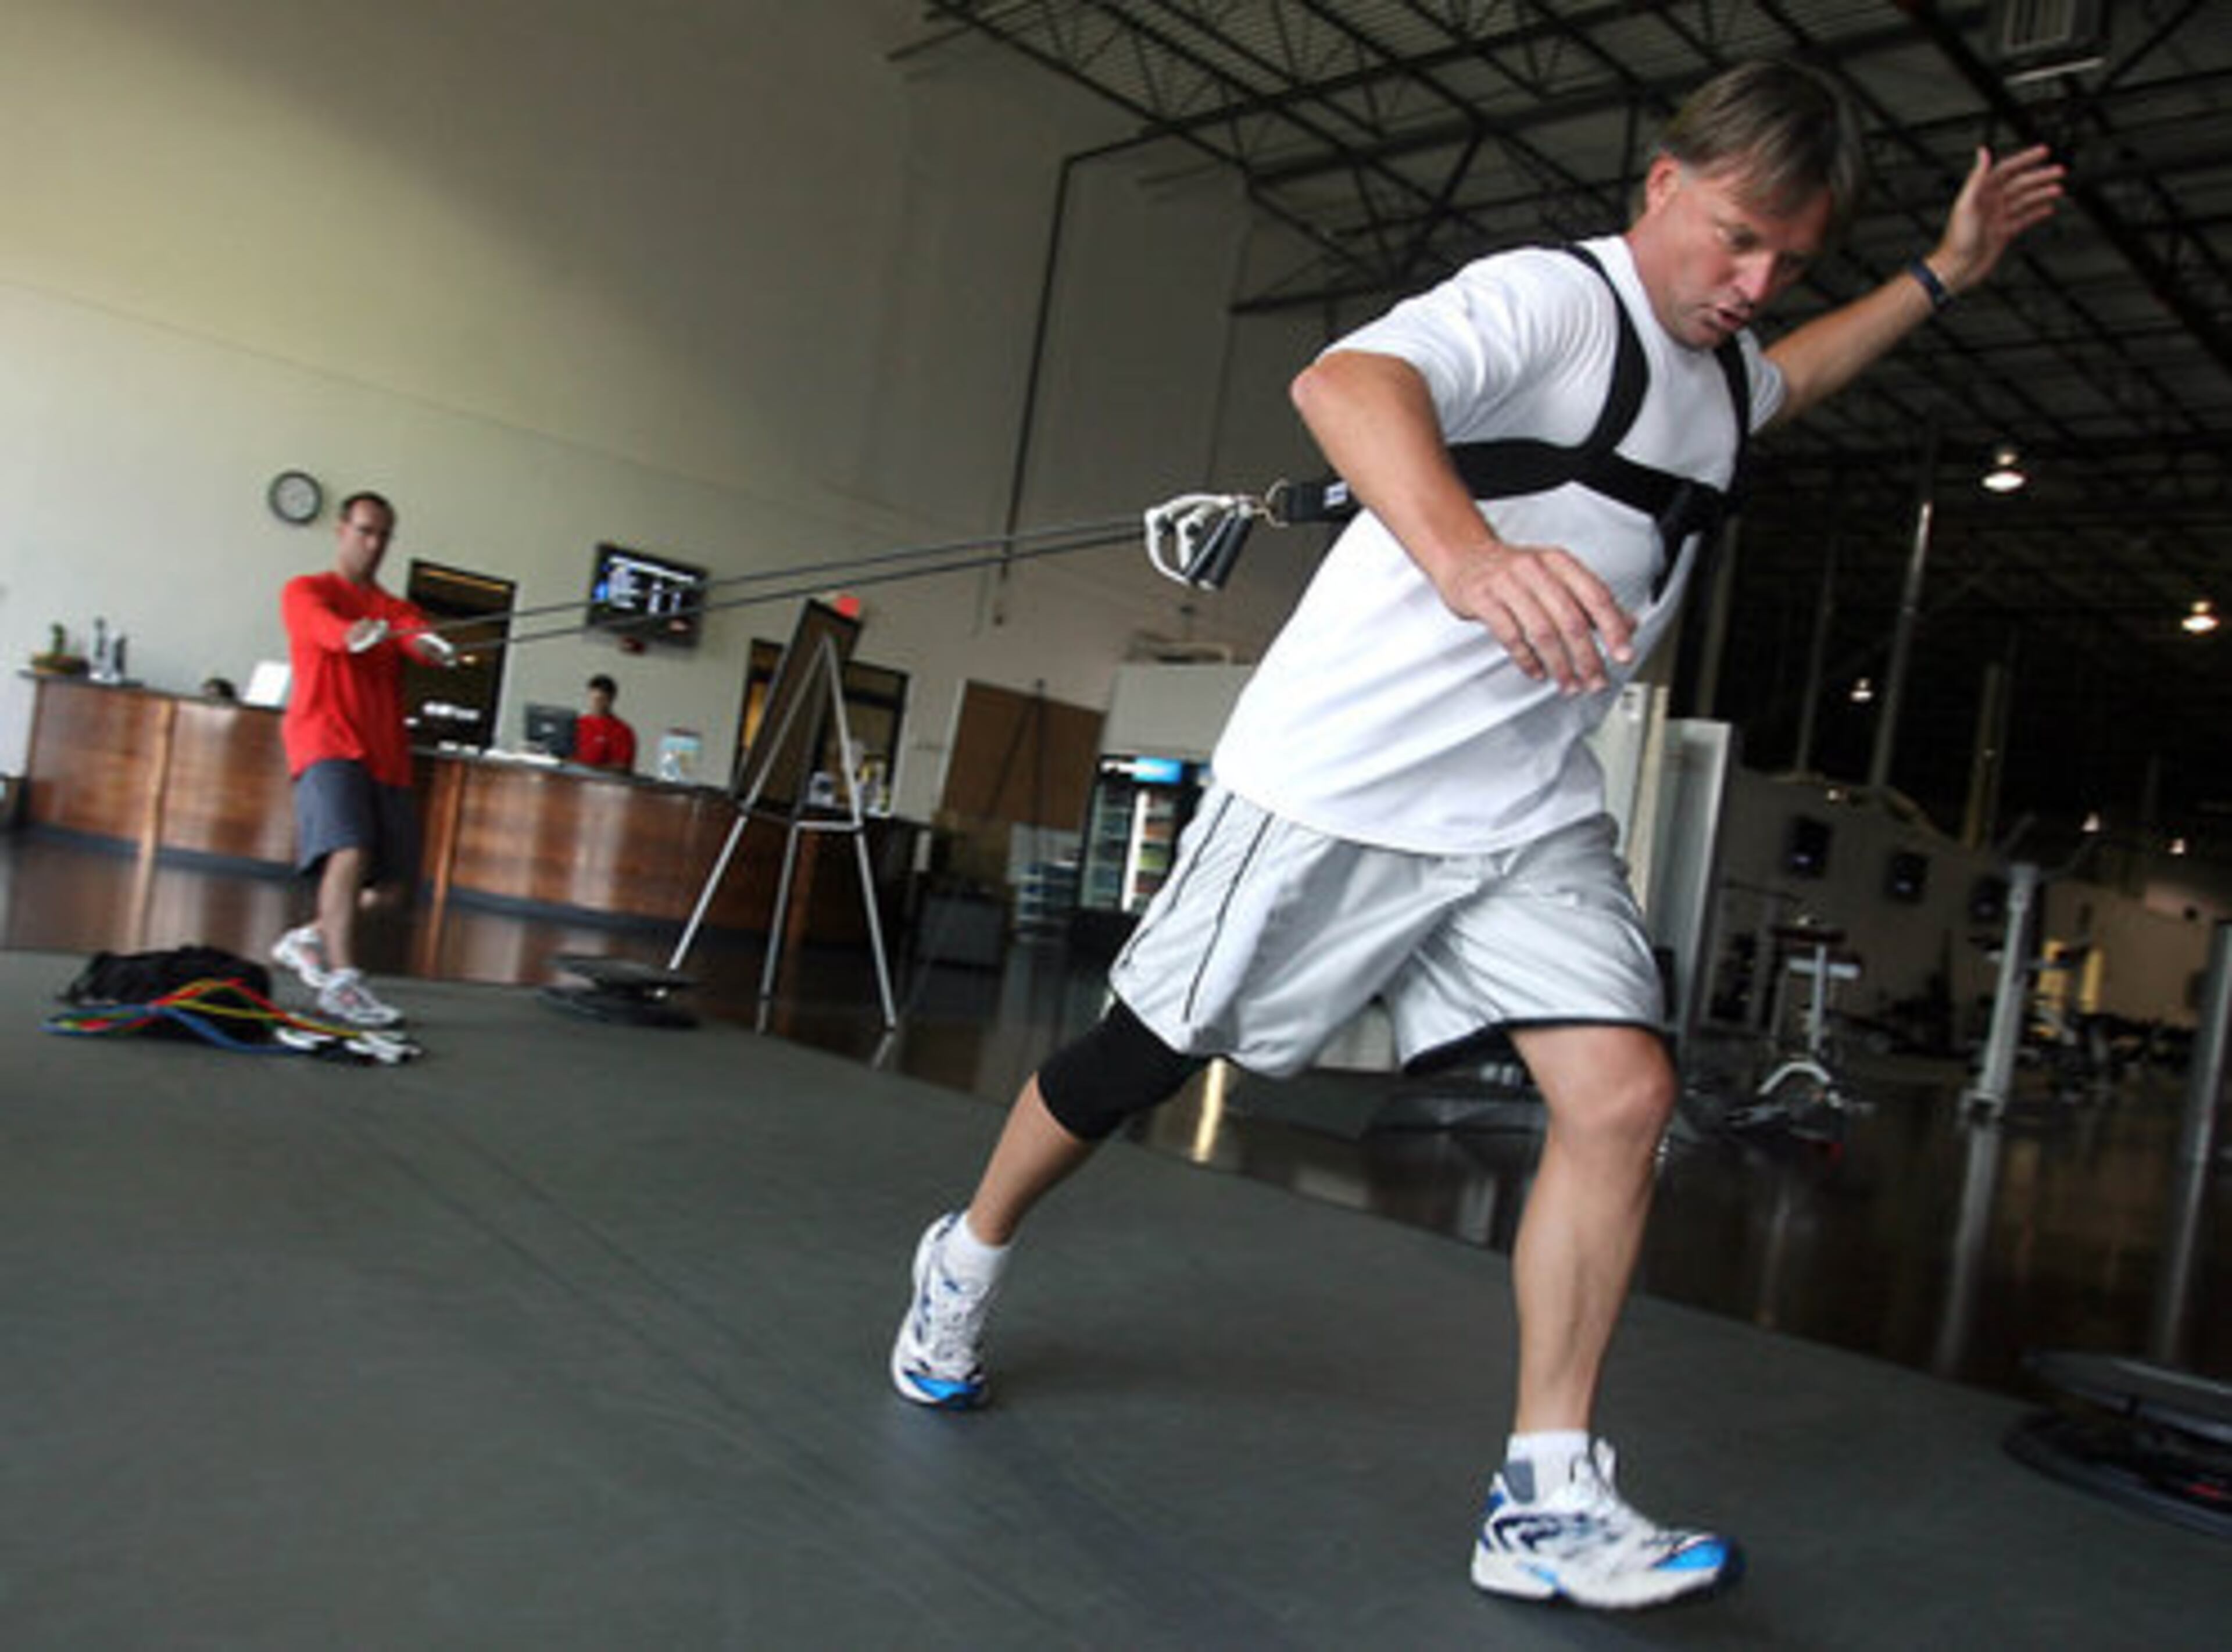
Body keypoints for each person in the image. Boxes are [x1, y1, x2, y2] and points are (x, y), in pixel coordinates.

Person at [890, 60, 2064, 1612]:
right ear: (1661, 184)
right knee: (1138, 1058)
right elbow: (1345, 385)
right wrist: (1467, 559)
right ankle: (965, 1254)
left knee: (1622, 1093)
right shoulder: (1551, 303)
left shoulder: (1722, 369)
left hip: (1522, 803)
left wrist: (1941, 274)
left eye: (1788, 260)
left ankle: (1545, 1496)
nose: (1755, 283)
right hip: (1338, 782)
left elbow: (1790, 379)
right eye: (1735, 238)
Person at [270, 491, 455, 1028]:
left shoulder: (392, 609)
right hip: (325, 742)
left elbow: (417, 637)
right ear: (341, 530)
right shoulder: (306, 590)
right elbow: (322, 628)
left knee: (391, 891)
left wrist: (432, 647)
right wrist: (352, 634)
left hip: (384, 753)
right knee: (349, 849)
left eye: (383, 536)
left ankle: (309, 939)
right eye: (365, 531)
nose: (374, 544)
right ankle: (342, 982)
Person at [574, 673, 637, 771]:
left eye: (602, 700)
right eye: (594, 699)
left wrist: (589, 770)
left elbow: (622, 767)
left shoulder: (622, 731)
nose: (597, 704)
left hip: (600, 780)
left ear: (612, 699)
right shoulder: (577, 724)